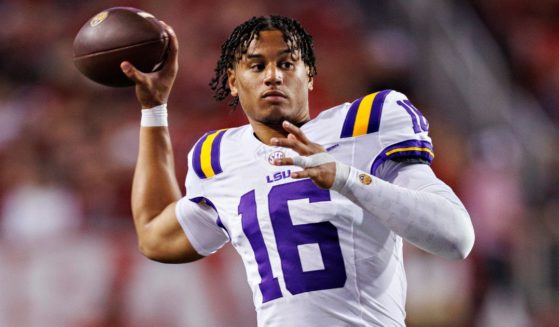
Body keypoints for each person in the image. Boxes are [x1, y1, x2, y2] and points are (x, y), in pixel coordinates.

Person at [121, 15, 475, 326]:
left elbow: (456, 236)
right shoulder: (219, 157)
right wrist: (154, 109)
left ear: (309, 76)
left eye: (288, 64)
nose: (273, 76)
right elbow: (155, 235)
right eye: (257, 66)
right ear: (232, 81)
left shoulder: (366, 125)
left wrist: (345, 177)